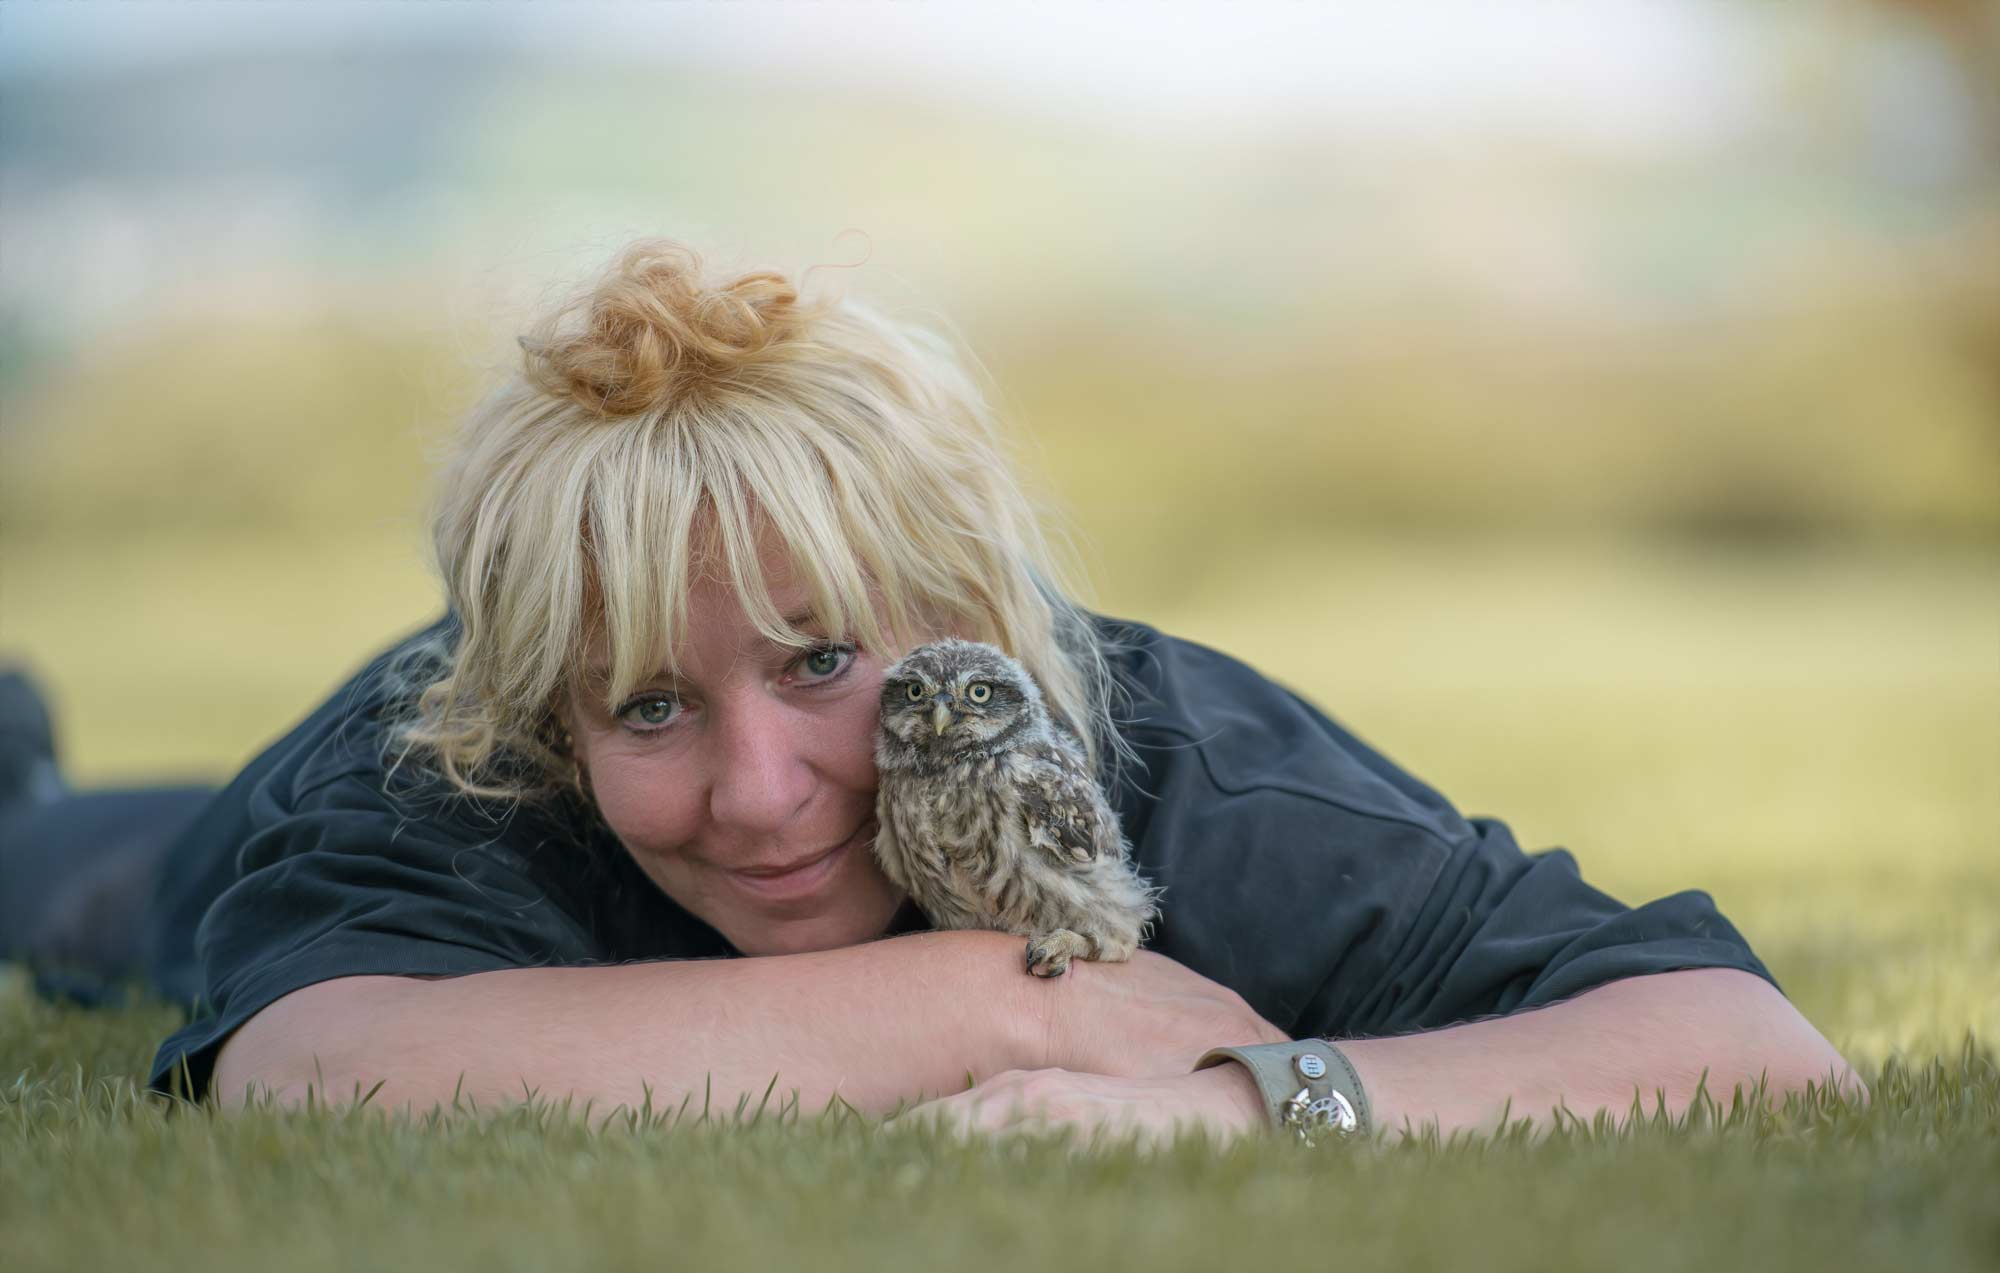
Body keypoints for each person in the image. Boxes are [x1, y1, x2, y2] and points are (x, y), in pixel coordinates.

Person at [1, 240, 1858, 1141]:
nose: (761, 789)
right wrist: (1003, 1005)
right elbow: (315, 1067)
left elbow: (1753, 1050)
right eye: (646, 705)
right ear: (548, 709)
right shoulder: (453, 759)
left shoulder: (1167, 758)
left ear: (970, 611)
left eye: (824, 660)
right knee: (59, 869)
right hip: (198, 864)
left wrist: (1240, 1105)